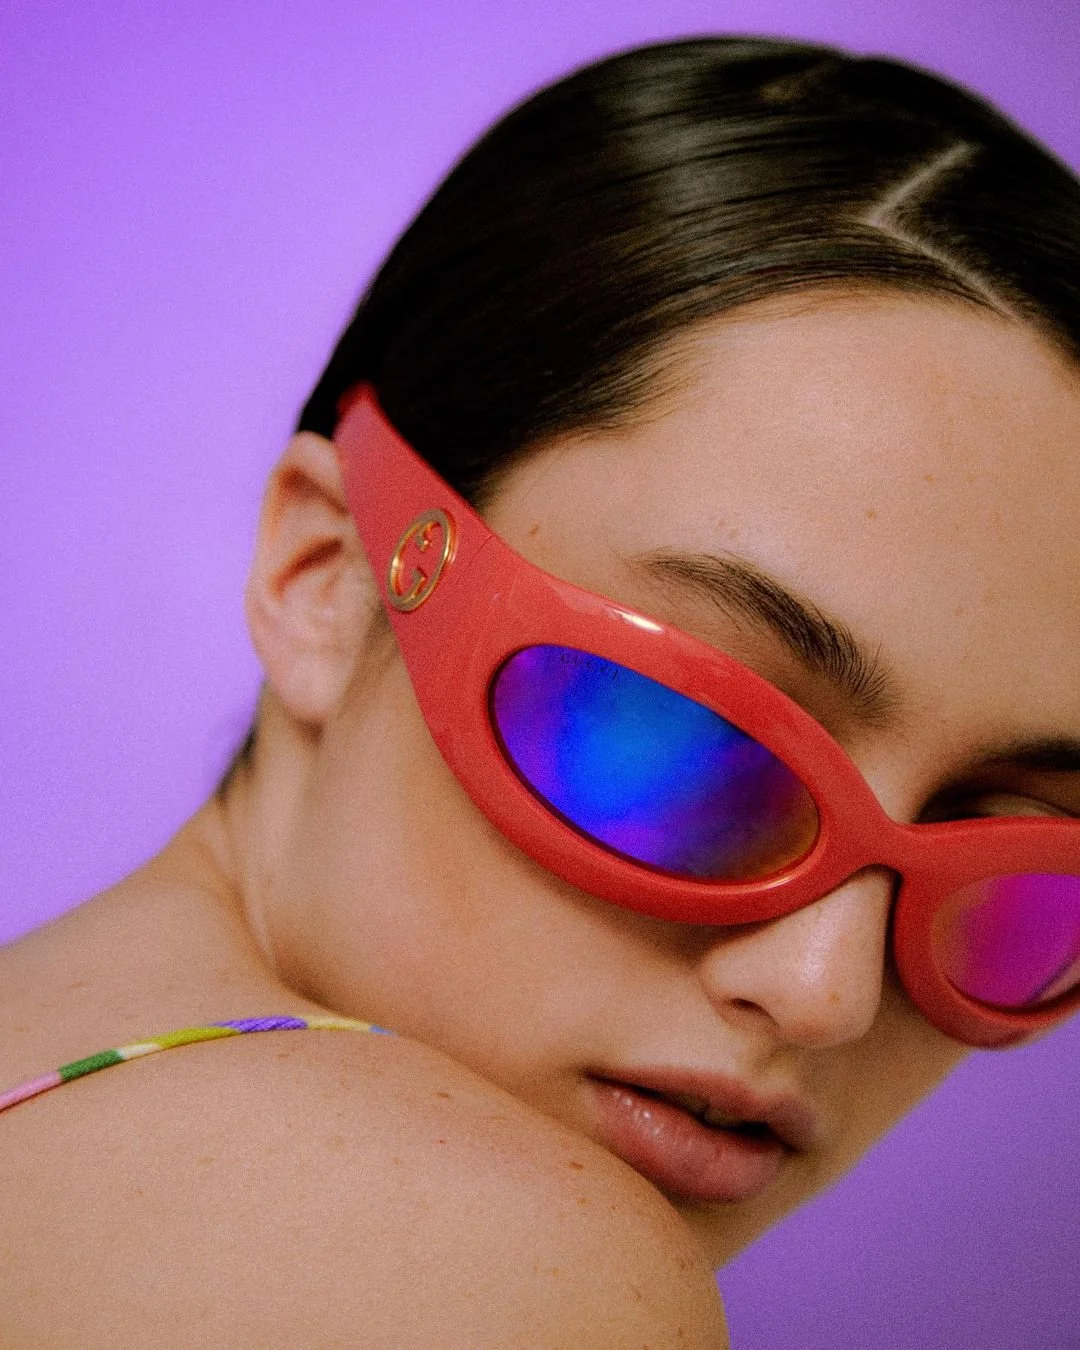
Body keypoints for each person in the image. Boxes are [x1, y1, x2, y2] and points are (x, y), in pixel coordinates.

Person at [2, 34, 1079, 1347]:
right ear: (328, 575)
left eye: (1021, 875)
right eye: (698, 743)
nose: (824, 990)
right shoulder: (478, 1272)